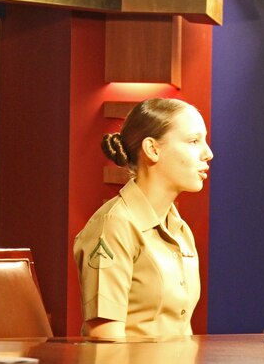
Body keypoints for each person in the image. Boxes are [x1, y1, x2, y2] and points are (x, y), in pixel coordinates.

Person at [73, 98, 212, 338]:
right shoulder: (114, 225)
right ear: (152, 149)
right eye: (193, 141)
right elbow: (105, 340)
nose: (207, 153)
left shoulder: (180, 230)